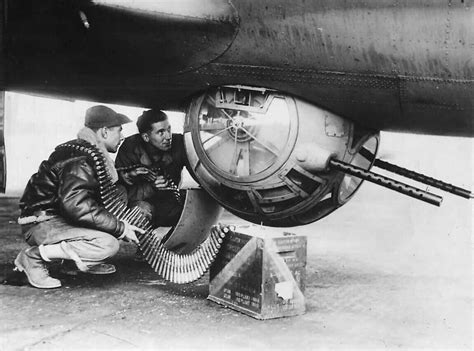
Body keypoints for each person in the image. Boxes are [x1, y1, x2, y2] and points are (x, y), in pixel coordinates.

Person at [14, 105, 144, 289]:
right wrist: (120, 227)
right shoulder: (81, 159)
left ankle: (71, 263)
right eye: (119, 131)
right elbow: (76, 205)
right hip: (42, 223)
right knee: (107, 244)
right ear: (104, 132)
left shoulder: (84, 151)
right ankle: (32, 257)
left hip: (56, 218)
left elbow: (89, 194)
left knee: (117, 198)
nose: (122, 137)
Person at [115, 109, 186, 228]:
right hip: (141, 205)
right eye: (161, 132)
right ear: (146, 137)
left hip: (170, 204)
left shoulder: (179, 143)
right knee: (139, 213)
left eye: (169, 129)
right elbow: (119, 192)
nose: (168, 136)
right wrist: (131, 176)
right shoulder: (130, 147)